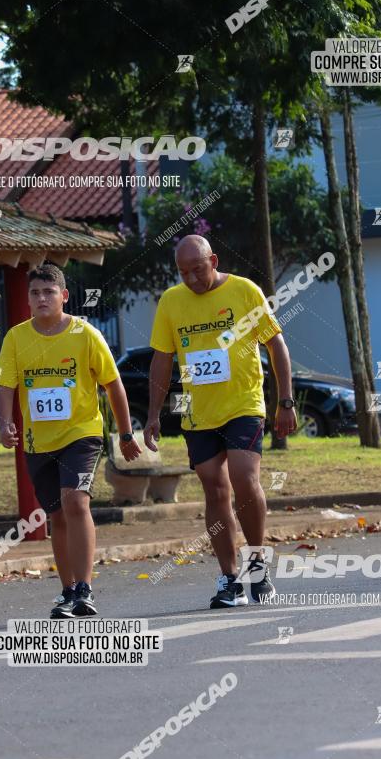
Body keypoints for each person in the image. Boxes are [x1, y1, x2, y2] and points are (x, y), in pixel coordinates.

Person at [144, 235, 297, 609]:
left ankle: (257, 562)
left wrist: (286, 401)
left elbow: (275, 344)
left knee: (245, 478)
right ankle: (230, 578)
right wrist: (151, 415)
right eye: (183, 273)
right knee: (214, 488)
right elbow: (162, 360)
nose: (192, 280)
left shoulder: (245, 292)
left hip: (244, 402)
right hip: (199, 413)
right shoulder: (171, 301)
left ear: (212, 260)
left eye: (198, 270)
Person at [0, 263, 140, 618]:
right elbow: (4, 385)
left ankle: (85, 590)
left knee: (75, 502)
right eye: (35, 293)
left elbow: (113, 384)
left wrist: (124, 433)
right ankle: (68, 590)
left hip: (82, 434)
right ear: (28, 299)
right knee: (56, 516)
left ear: (64, 296)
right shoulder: (16, 337)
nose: (42, 298)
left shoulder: (85, 334)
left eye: (48, 292)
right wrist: (3, 424)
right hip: (38, 441)